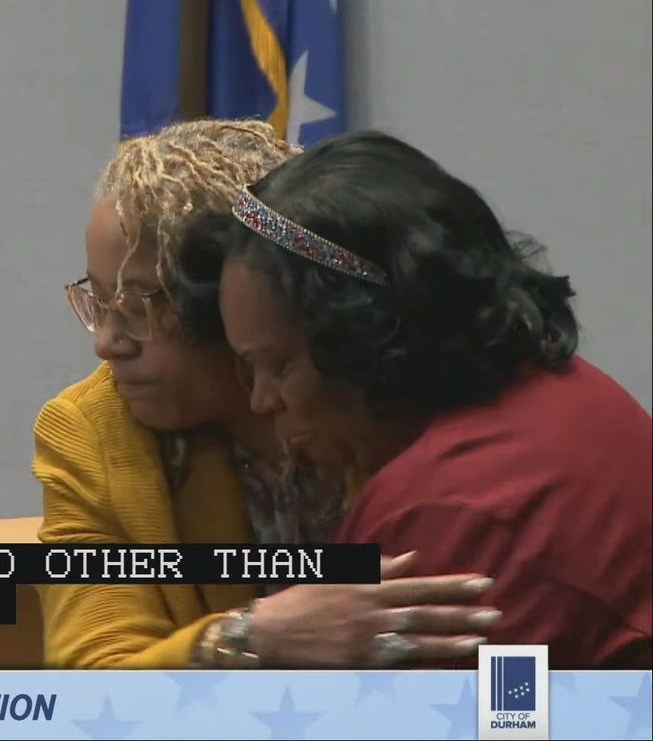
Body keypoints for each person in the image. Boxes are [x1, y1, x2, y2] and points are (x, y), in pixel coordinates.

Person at [31, 120, 502, 670]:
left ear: (232, 293)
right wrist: (246, 639)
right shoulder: (90, 431)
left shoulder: (370, 386)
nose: (108, 345)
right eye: (100, 302)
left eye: (139, 305)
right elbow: (91, 678)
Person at [176, 129, 653, 669]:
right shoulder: (568, 389)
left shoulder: (441, 513)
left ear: (365, 337)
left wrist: (242, 645)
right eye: (247, 369)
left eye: (280, 366)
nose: (261, 400)